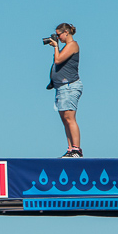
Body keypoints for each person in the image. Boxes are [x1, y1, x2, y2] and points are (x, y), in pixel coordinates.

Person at [48, 23, 82, 158]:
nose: (58, 37)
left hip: (70, 86)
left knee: (70, 118)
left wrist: (56, 47)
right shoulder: (65, 47)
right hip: (62, 87)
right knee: (64, 119)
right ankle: (70, 149)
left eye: (59, 34)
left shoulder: (72, 45)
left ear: (66, 32)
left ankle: (77, 149)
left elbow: (58, 60)